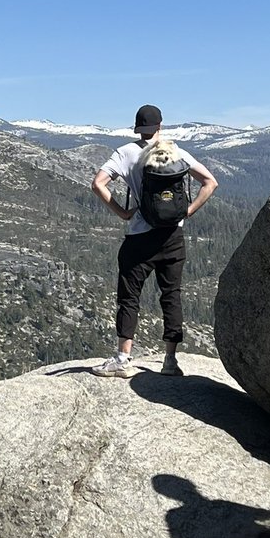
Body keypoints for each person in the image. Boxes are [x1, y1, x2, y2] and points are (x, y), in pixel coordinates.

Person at [90, 104, 218, 377]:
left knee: (129, 298)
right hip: (173, 236)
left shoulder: (125, 153)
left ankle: (123, 359)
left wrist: (124, 213)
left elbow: (98, 183)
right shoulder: (177, 152)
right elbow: (210, 182)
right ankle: (170, 361)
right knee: (171, 296)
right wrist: (188, 211)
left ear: (138, 128)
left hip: (139, 237)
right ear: (160, 126)